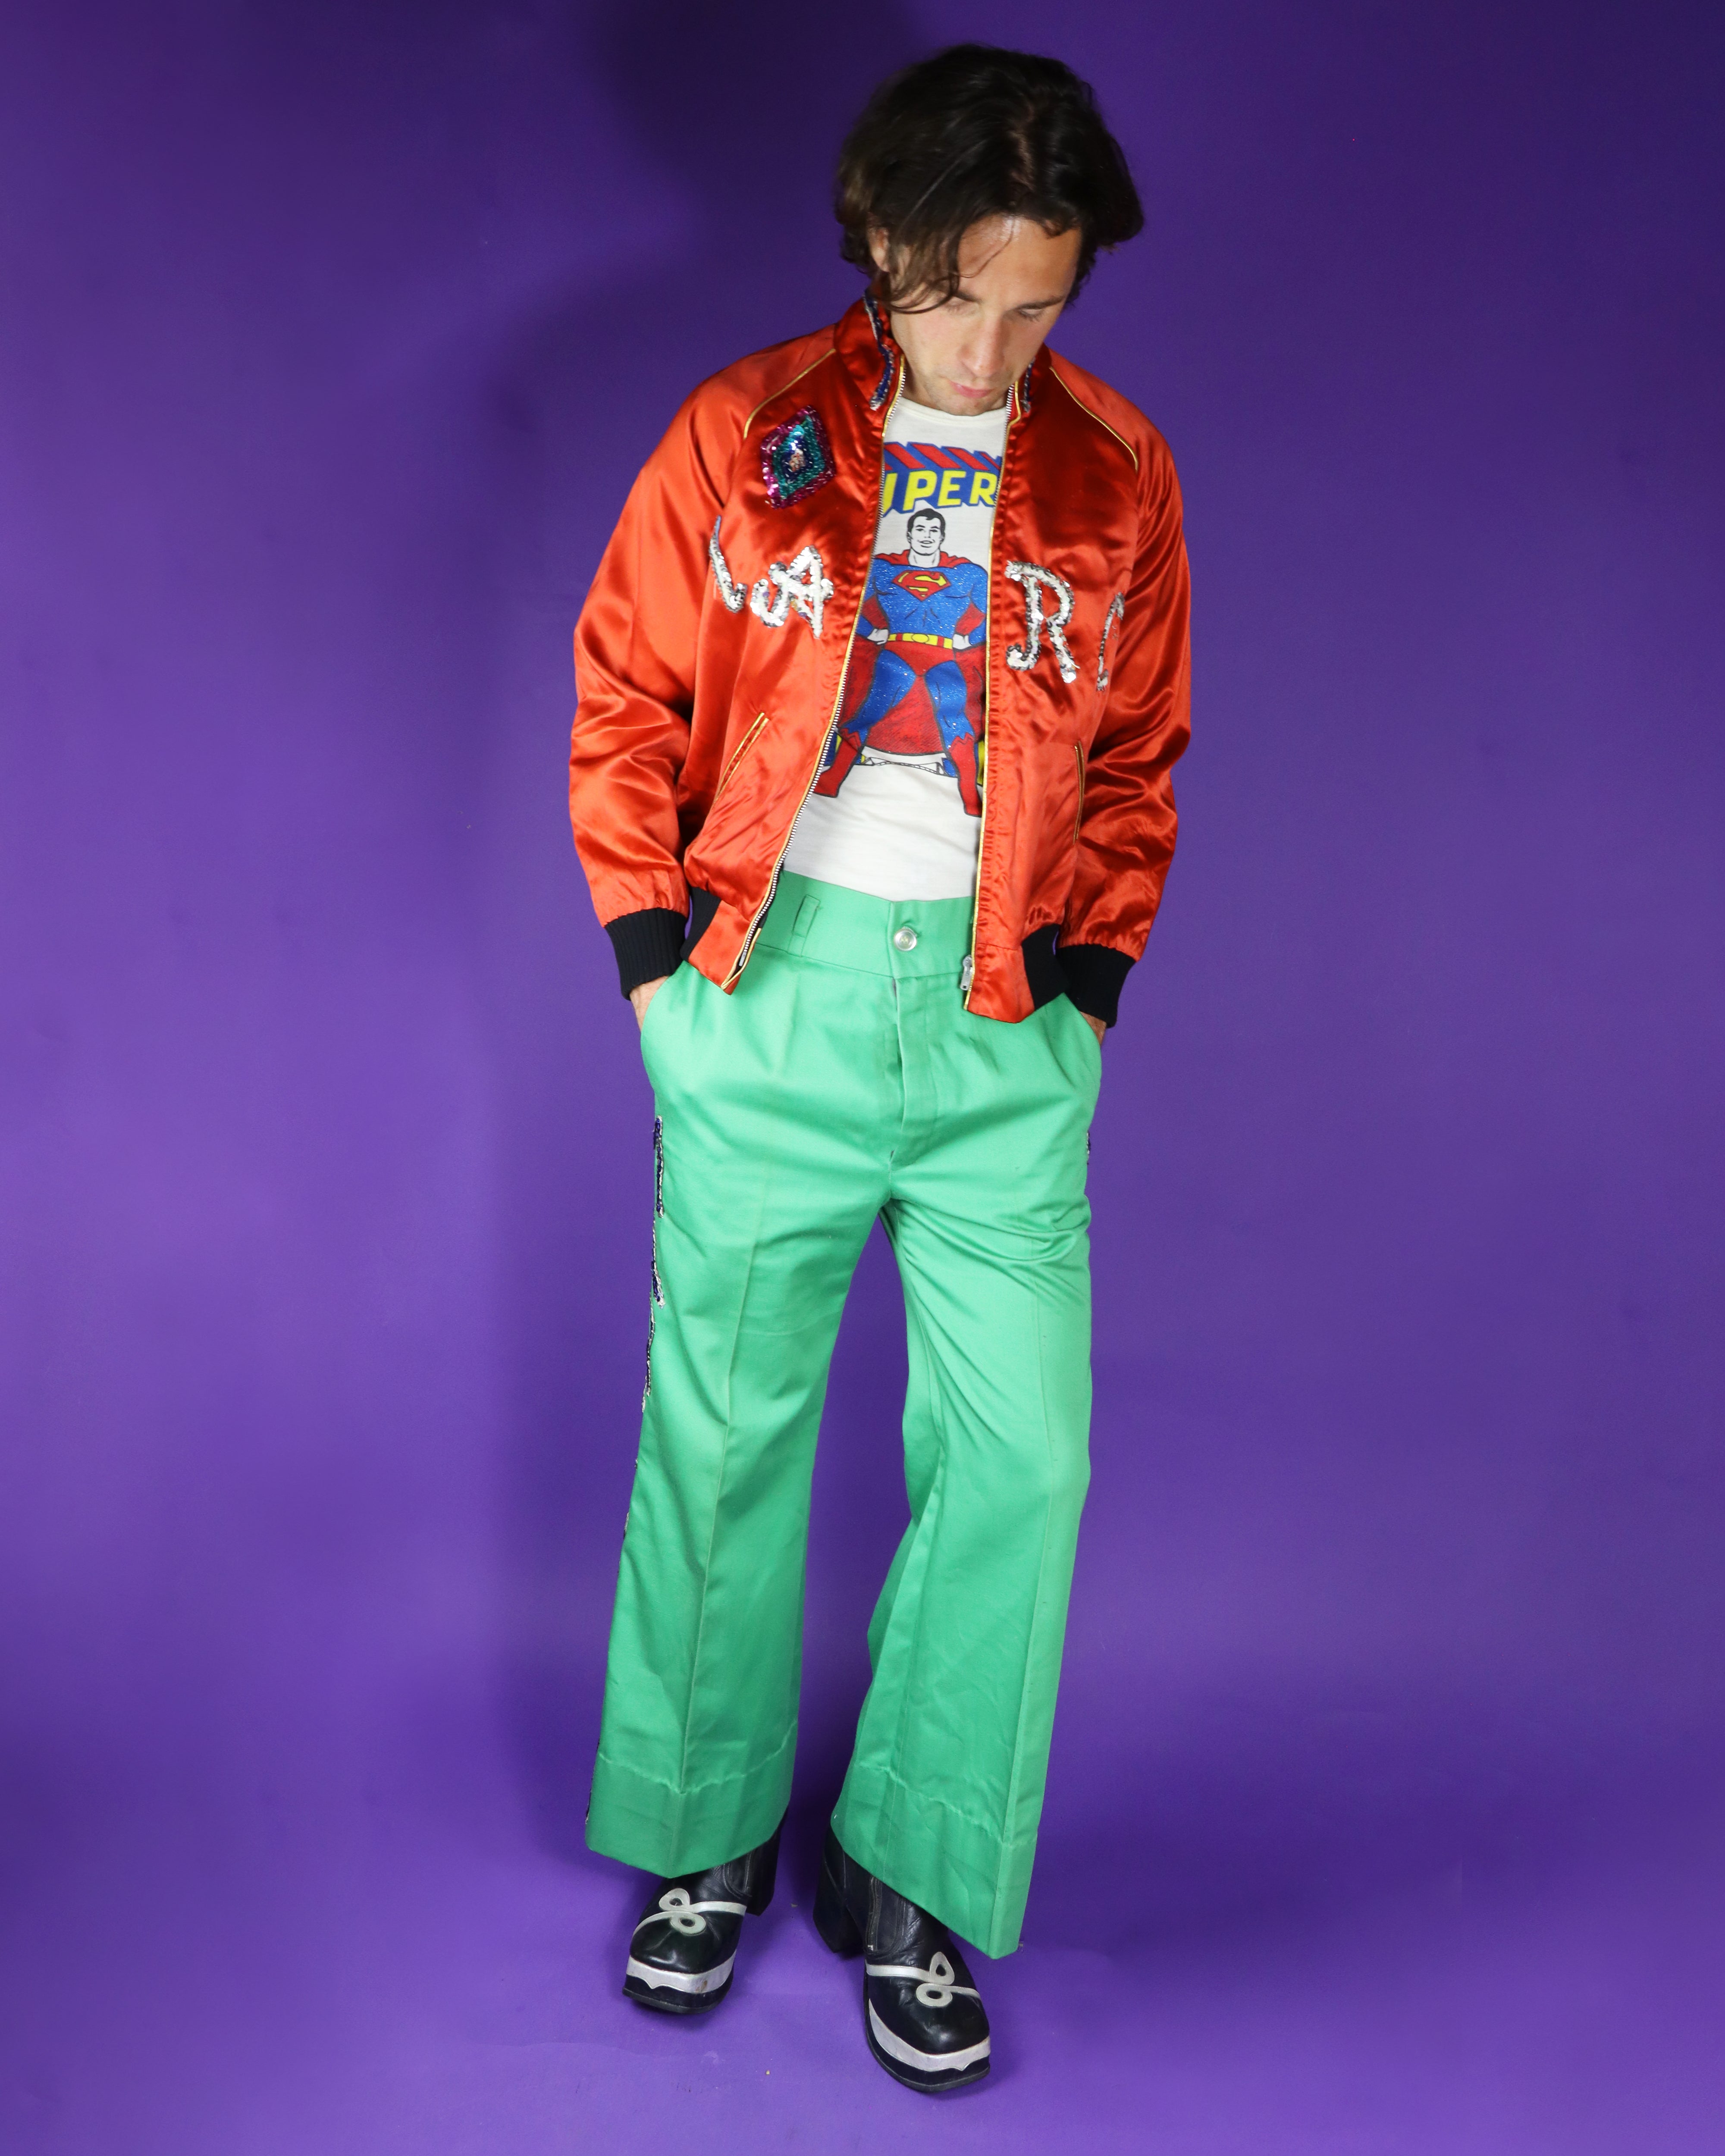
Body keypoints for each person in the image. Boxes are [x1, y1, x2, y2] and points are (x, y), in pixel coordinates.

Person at [568, 42, 1190, 2093]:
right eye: (956, 296)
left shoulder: (1117, 473)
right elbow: (624, 692)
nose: (990, 348)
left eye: (1037, 305)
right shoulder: (741, 433)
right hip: (773, 987)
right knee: (724, 1435)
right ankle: (705, 1831)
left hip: (1003, 1018)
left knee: (1024, 1458)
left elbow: (1138, 757)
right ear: (878, 243)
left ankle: (912, 1865)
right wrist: (661, 986)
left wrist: (1084, 999)